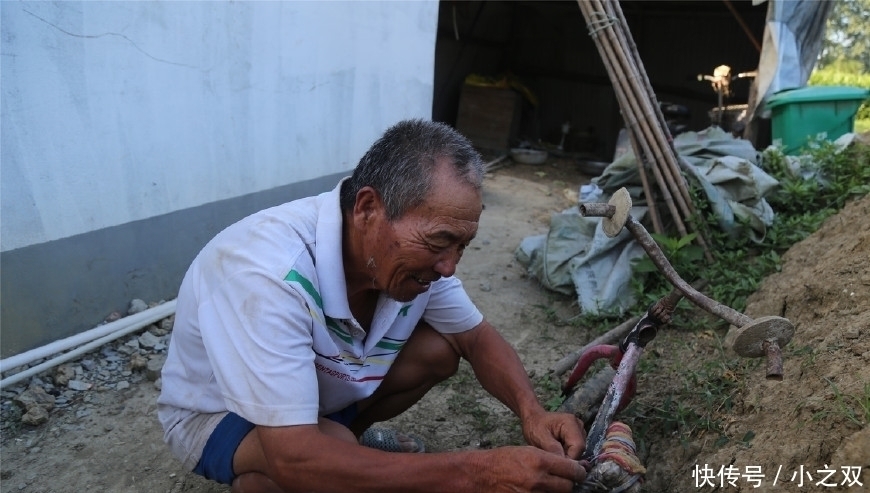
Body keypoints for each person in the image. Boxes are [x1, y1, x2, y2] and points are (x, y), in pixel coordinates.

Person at [157, 119, 588, 493]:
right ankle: (307, 466)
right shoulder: (266, 271)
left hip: (308, 401)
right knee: (301, 470)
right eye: (440, 243)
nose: (449, 267)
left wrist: (533, 412)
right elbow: (294, 456)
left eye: (462, 246)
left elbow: (474, 337)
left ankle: (343, 446)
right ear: (368, 209)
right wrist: (476, 474)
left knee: (438, 352)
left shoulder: (410, 261)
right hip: (217, 415)